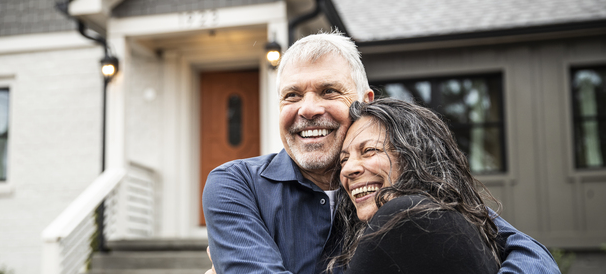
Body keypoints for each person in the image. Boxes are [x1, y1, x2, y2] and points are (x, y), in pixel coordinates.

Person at [202, 32, 560, 274]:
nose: (307, 109)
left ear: (365, 102)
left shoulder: (398, 184)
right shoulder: (236, 185)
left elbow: (532, 254)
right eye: (292, 95)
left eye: (329, 91)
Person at [331, 98, 502, 273]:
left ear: (414, 156)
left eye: (369, 151)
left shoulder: (407, 213)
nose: (347, 170)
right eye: (344, 160)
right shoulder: (446, 217)